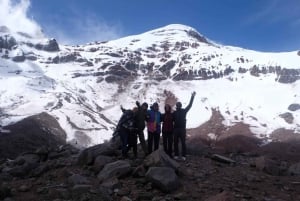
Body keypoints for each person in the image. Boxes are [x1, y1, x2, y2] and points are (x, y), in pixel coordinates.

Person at [173, 91, 196, 161]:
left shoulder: (184, 111)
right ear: (177, 106)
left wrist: (192, 97)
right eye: (178, 105)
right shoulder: (175, 112)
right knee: (176, 142)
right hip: (176, 129)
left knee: (183, 142)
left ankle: (183, 155)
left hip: (182, 129)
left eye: (179, 105)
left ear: (180, 106)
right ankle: (176, 155)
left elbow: (190, 105)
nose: (178, 106)